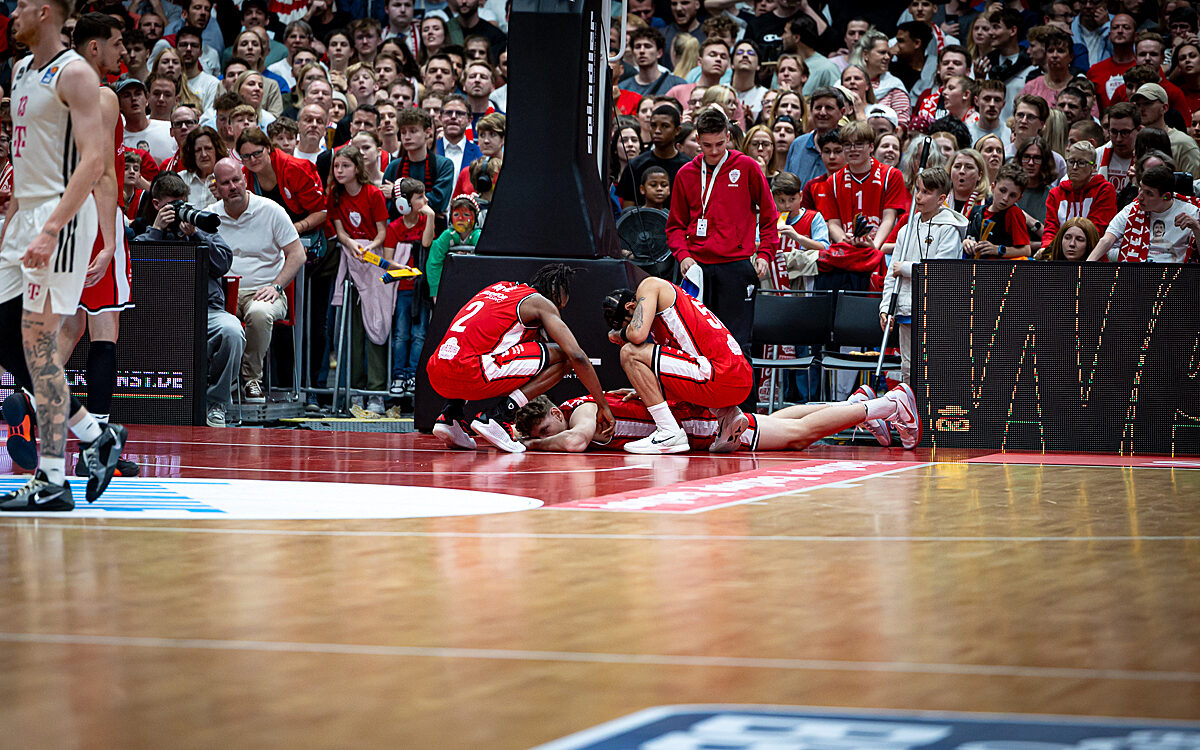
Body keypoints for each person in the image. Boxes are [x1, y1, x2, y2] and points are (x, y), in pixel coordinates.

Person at [0, 0, 126, 510]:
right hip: (26, 214)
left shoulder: (74, 74)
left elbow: (95, 161)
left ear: (46, 12)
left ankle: (52, 480)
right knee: (9, 337)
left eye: (23, 6)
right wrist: (15, 224)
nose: (13, 14)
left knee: (36, 343)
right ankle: (96, 435)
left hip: (63, 217)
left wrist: (51, 227)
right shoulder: (21, 68)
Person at [427, 264, 616, 453]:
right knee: (566, 355)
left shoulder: (500, 289)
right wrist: (602, 405)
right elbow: (577, 356)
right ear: (555, 291)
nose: (559, 310)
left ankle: (450, 415)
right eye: (560, 305)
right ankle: (499, 416)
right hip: (472, 371)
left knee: (479, 349)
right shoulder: (540, 303)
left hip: (436, 373)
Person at [664, 107, 778, 410]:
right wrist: (683, 255)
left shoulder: (748, 167)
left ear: (729, 137)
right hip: (696, 269)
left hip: (736, 268)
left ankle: (747, 414)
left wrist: (765, 253)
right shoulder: (686, 173)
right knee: (693, 344)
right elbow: (674, 226)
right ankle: (699, 413)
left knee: (738, 344)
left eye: (719, 144)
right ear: (697, 141)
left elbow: (769, 217)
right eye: (706, 145)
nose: (713, 152)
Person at [514, 384, 921, 453]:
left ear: (555, 412)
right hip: (697, 424)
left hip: (705, 427)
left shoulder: (580, 410)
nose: (547, 437)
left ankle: (888, 405)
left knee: (795, 437)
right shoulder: (585, 407)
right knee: (777, 419)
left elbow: (574, 441)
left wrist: (530, 445)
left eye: (545, 429)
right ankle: (856, 403)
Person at [134, 172, 242, 427]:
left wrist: (197, 236)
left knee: (232, 332)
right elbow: (136, 273)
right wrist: (157, 232)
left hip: (205, 312)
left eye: (183, 203)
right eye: (173, 205)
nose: (180, 211)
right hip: (157, 315)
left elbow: (223, 263)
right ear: (157, 204)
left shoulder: (201, 226)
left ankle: (215, 403)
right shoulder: (143, 230)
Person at [208, 158, 305, 403]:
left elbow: (297, 254)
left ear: (244, 180)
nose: (232, 187)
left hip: (264, 290)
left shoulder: (271, 210)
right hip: (222, 293)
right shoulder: (209, 216)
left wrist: (276, 286)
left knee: (260, 313)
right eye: (225, 183)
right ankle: (217, 381)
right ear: (217, 188)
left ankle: (251, 379)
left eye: (236, 180)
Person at [880, 167, 968, 390]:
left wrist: (908, 268)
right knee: (908, 367)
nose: (918, 196)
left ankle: (933, 419)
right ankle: (911, 417)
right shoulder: (906, 230)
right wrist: (885, 308)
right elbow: (892, 275)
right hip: (906, 308)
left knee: (934, 367)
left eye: (926, 192)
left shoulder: (950, 229)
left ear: (941, 198)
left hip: (937, 310)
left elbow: (943, 272)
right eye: (917, 190)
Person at [326, 144, 391, 416]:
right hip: (350, 259)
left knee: (374, 324)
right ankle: (355, 389)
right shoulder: (335, 195)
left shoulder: (372, 193)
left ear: (357, 168)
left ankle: (375, 392)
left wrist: (368, 248)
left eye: (345, 166)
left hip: (372, 259)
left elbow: (382, 232)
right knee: (350, 327)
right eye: (336, 166)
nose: (340, 171)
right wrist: (351, 244)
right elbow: (340, 231)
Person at [817, 120, 908, 291]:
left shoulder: (891, 175)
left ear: (871, 147)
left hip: (878, 249)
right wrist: (846, 240)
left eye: (859, 144)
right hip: (849, 250)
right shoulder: (833, 182)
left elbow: (889, 218)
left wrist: (876, 245)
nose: (852, 149)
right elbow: (833, 223)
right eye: (847, 145)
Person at [1088, 163, 1200, 262]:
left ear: (1166, 197)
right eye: (1140, 188)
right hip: (1139, 275)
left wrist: (1196, 228)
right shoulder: (1132, 209)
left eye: (1148, 193)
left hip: (1178, 277)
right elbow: (1107, 239)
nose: (1140, 197)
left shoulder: (1191, 212)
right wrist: (1087, 265)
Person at [385, 177, 435, 398]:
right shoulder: (394, 228)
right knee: (401, 335)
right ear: (403, 203)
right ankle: (398, 376)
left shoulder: (426, 221)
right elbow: (388, 261)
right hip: (403, 290)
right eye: (419, 197)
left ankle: (412, 375)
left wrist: (431, 216)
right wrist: (405, 268)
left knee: (419, 334)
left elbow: (426, 243)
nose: (424, 200)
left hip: (421, 290)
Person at [1041, 141, 1119, 247]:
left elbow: (1097, 231)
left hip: (1092, 255)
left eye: (1081, 163)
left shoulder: (1104, 190)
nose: (1074, 167)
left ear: (1094, 167)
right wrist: (1046, 250)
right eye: (1071, 161)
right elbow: (1050, 230)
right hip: (1060, 254)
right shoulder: (1056, 193)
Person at [616, 104, 689, 208]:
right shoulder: (635, 165)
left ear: (677, 130)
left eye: (665, 126)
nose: (657, 131)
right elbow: (628, 212)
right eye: (653, 125)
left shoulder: (687, 167)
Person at [963, 163, 1033, 260]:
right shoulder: (975, 211)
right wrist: (965, 242)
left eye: (1012, 195)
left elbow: (1026, 250)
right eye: (1002, 190)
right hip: (972, 268)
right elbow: (960, 237)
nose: (1005, 198)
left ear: (1019, 198)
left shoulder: (1013, 213)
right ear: (992, 187)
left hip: (999, 271)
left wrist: (998, 249)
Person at [1131, 82, 1200, 176]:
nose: (1141, 109)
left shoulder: (1183, 143)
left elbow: (1194, 185)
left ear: (1164, 108)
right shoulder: (1137, 140)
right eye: (1138, 105)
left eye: (1147, 104)